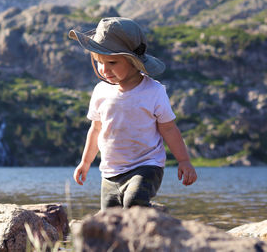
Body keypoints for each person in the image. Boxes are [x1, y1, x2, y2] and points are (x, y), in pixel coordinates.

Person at [69, 17, 197, 210]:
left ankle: (151, 222)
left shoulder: (154, 91)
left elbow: (169, 129)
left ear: (133, 61)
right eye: (99, 62)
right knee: (111, 216)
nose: (104, 69)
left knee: (134, 202)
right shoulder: (101, 91)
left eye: (112, 62)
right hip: (110, 172)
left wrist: (184, 161)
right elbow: (95, 130)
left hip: (146, 166)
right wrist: (85, 162)